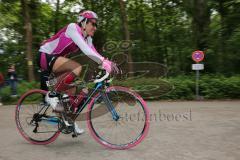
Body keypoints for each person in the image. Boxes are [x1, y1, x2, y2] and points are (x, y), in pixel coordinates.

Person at [37, 10, 119, 134]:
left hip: (56, 64)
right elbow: (86, 50)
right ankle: (51, 93)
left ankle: (68, 120)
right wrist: (103, 62)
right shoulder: (73, 28)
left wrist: (107, 63)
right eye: (93, 23)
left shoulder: (88, 38)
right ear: (84, 22)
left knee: (81, 92)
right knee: (76, 67)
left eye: (96, 25)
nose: (95, 27)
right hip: (44, 55)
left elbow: (94, 54)